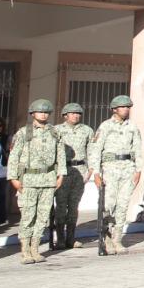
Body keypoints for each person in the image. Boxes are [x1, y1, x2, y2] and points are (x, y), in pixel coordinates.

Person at [8, 99, 64, 264]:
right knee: (28, 216)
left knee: (42, 216)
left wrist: (61, 175)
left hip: (48, 179)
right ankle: (25, 250)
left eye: (46, 112)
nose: (44, 114)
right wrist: (13, 178)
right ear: (33, 114)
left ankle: (35, 248)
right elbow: (14, 156)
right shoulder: (24, 132)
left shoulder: (54, 132)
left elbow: (60, 154)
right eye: (40, 112)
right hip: (29, 180)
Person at [89, 95, 142, 254]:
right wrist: (96, 173)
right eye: (123, 107)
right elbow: (96, 150)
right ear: (114, 109)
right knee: (108, 205)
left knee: (123, 205)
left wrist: (138, 169)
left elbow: (138, 149)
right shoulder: (105, 126)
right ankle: (106, 237)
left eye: (128, 107)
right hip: (110, 169)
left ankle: (117, 239)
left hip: (127, 169)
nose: (126, 109)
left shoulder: (132, 127)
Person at [53, 103, 93, 250]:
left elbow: (91, 150)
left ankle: (71, 238)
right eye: (72, 113)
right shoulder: (56, 130)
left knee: (74, 206)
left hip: (80, 170)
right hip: (63, 171)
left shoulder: (87, 130)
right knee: (61, 206)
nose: (76, 115)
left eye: (78, 113)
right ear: (65, 115)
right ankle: (60, 239)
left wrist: (90, 170)